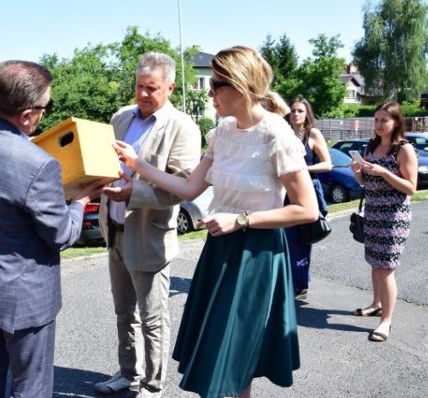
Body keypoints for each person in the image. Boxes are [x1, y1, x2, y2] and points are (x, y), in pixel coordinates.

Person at [113, 46, 318, 398]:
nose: (210, 93)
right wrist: (137, 166)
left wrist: (241, 219)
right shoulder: (223, 131)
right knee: (223, 358)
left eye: (216, 85)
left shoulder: (276, 134)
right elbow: (189, 187)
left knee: (237, 360)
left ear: (241, 86)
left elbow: (306, 210)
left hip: (257, 255)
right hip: (220, 250)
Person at [0, 60, 103, 397]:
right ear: (27, 114)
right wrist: (81, 201)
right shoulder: (39, 165)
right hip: (23, 296)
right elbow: (61, 235)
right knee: (32, 386)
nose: (45, 114)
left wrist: (23, 141)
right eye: (45, 107)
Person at [95, 52, 201, 397]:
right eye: (139, 86)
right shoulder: (121, 117)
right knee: (123, 311)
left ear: (170, 87)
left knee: (153, 317)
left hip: (149, 234)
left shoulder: (183, 126)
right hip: (114, 230)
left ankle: (153, 386)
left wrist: (133, 193)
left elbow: (181, 186)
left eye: (151, 88)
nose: (142, 94)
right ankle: (128, 373)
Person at [350, 101, 417, 342]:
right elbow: (365, 183)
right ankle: (377, 304)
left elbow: (411, 188)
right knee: (374, 263)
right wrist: (358, 170)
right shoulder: (372, 146)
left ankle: (386, 321)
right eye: (376, 120)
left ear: (396, 122)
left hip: (393, 218)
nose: (378, 125)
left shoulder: (404, 149)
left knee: (385, 268)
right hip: (373, 214)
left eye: (383, 120)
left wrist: (385, 173)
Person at [284, 98, 332, 300]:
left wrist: (303, 169)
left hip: (309, 191)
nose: (296, 114)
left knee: (304, 238)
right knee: (286, 239)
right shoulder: (284, 133)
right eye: (293, 110)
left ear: (307, 113)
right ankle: (289, 281)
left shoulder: (313, 134)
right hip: (286, 193)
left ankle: (300, 284)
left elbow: (327, 164)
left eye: (300, 111)